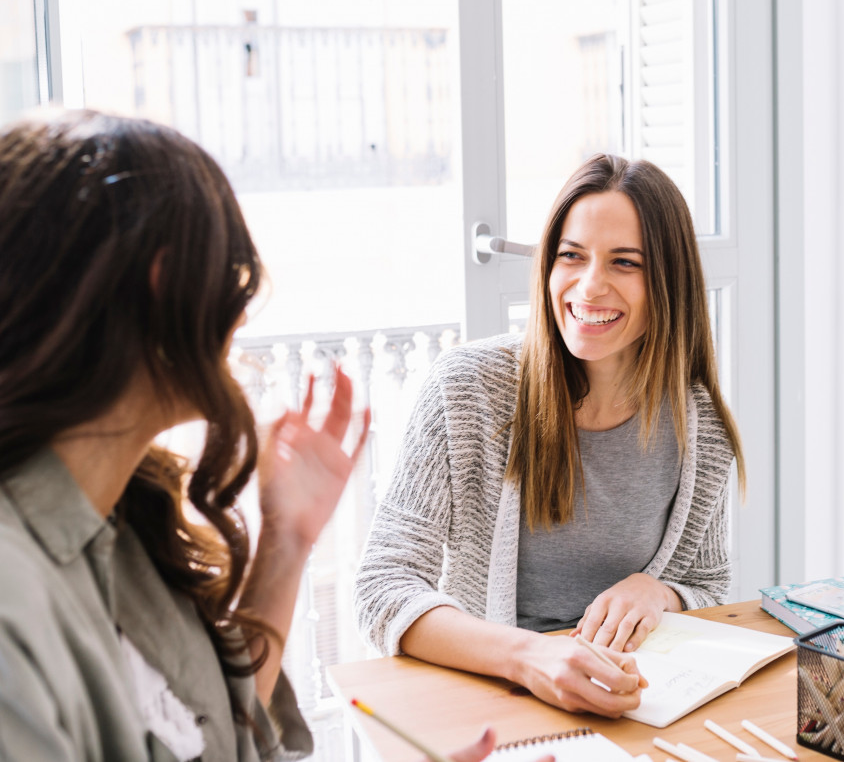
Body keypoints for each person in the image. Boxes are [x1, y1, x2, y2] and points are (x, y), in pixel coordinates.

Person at [0, 109, 509, 762]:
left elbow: (220, 741)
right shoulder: (16, 600)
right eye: (230, 274)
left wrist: (287, 544)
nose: (241, 316)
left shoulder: (125, 524)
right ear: (163, 285)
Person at [354, 153, 744, 719]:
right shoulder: (467, 390)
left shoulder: (700, 425)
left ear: (669, 281)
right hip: (493, 701)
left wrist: (660, 592)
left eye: (625, 263)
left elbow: (707, 582)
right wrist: (530, 658)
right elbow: (382, 585)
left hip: (629, 707)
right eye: (571, 256)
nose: (590, 287)